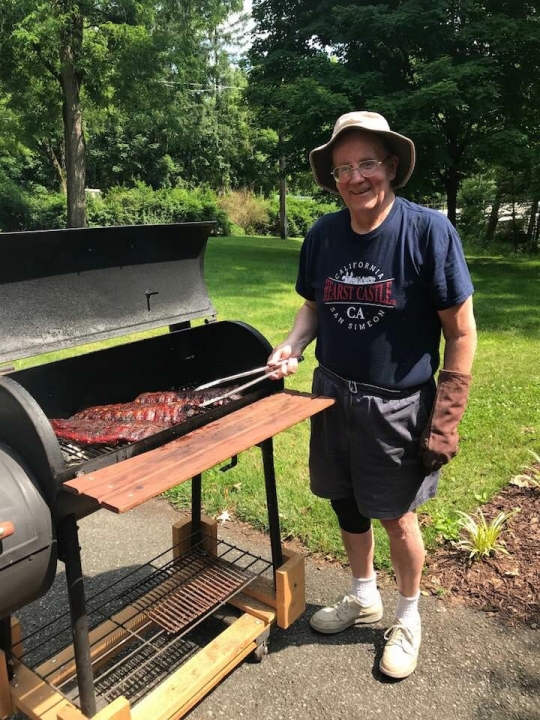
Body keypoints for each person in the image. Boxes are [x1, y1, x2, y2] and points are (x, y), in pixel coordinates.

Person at [268, 111, 477, 679]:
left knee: (396, 517)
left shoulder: (429, 231)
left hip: (397, 406)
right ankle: (364, 595)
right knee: (346, 503)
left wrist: (446, 418)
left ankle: (409, 614)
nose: (356, 177)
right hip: (331, 393)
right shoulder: (323, 234)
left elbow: (460, 331)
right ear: (333, 179)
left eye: (366, 163)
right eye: (343, 169)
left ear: (390, 166)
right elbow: (314, 305)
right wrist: (292, 345)